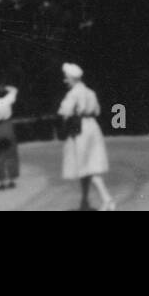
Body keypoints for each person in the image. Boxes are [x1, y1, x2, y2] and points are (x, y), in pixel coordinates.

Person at [58, 63, 116, 211]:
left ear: (72, 78)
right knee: (86, 165)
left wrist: (65, 124)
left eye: (66, 78)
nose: (65, 81)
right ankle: (84, 202)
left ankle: (107, 199)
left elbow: (65, 112)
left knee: (87, 167)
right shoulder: (90, 92)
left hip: (80, 129)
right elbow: (97, 111)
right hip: (92, 127)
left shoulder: (73, 94)